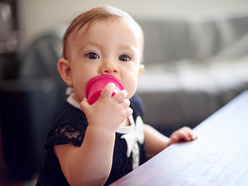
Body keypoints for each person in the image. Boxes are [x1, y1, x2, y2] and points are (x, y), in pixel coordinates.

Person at [36, 6, 197, 186]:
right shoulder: (68, 123)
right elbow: (84, 181)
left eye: (124, 58)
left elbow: (138, 130)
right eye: (93, 55)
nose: (110, 66)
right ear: (68, 72)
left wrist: (165, 145)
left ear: (137, 74)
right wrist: (101, 129)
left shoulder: (128, 103)